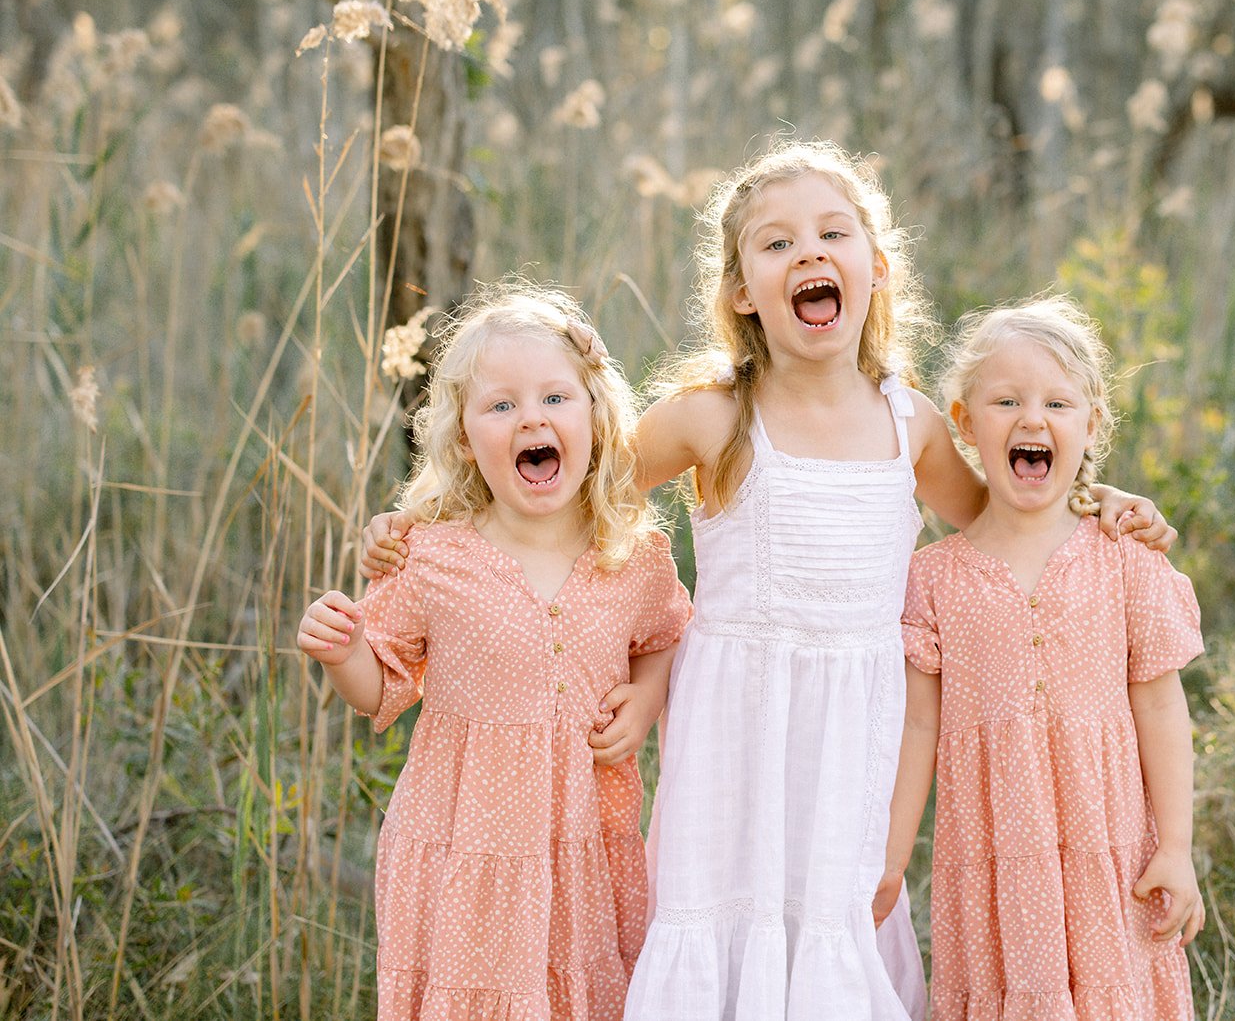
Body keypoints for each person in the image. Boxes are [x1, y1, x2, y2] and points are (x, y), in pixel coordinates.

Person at [359, 142, 1174, 1018]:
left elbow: (1006, 517)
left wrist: (1101, 501)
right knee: (724, 920)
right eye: (777, 244)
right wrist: (427, 524)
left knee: (838, 919)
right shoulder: (717, 416)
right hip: (732, 727)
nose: (810, 254)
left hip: (856, 727)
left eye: (833, 233)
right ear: (743, 290)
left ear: (877, 268)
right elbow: (564, 489)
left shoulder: (912, 427)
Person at [297, 281, 691, 1021]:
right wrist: (341, 648)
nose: (530, 418)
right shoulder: (435, 558)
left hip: (583, 852)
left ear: (597, 420)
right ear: (466, 438)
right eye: (501, 405)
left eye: (553, 398)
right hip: (462, 852)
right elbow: (381, 686)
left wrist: (646, 696)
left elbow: (667, 635)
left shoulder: (631, 557)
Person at [874, 295, 1204, 1020]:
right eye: (1006, 401)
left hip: (1109, 852)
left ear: (1090, 426)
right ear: (964, 424)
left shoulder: (1125, 559)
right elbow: (917, 731)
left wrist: (1176, 847)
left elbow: (1159, 704)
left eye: (1058, 402)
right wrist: (891, 859)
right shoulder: (933, 578)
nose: (1033, 419)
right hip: (995, 862)